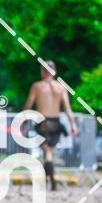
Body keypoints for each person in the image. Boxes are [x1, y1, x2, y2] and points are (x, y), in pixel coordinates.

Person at [24, 60, 77, 190]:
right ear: (54, 72)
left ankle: (51, 181)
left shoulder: (37, 86)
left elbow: (29, 105)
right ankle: (47, 180)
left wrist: (23, 121)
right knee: (49, 153)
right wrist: (73, 124)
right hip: (56, 123)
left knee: (47, 152)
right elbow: (67, 108)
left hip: (43, 122)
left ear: (42, 72)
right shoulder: (61, 88)